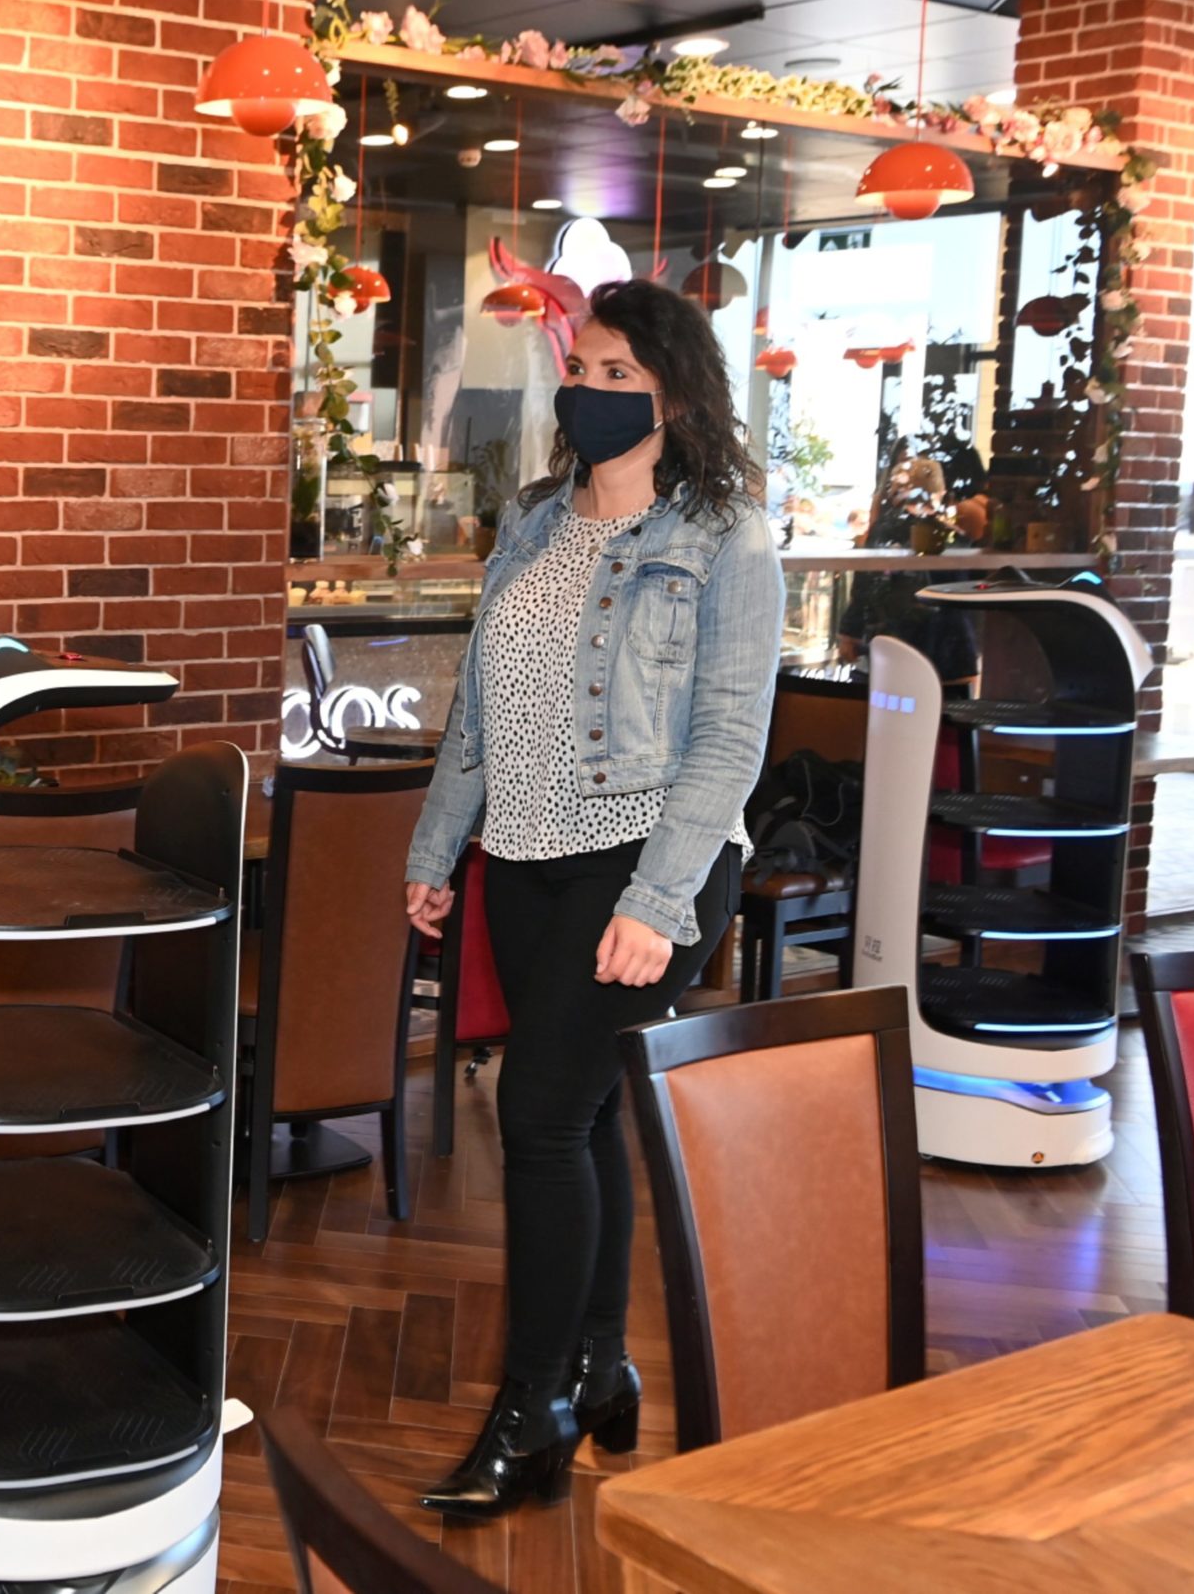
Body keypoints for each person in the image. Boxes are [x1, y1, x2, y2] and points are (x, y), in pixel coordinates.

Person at [403, 279, 782, 1519]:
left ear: (676, 395)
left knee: (539, 1116)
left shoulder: (725, 533)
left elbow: (729, 738)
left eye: (624, 376)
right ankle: (602, 1362)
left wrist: (658, 901)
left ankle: (532, 1415)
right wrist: (434, 849)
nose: (594, 393)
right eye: (588, 368)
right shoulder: (528, 520)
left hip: (646, 857)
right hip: (520, 853)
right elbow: (478, 709)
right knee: (583, 1109)